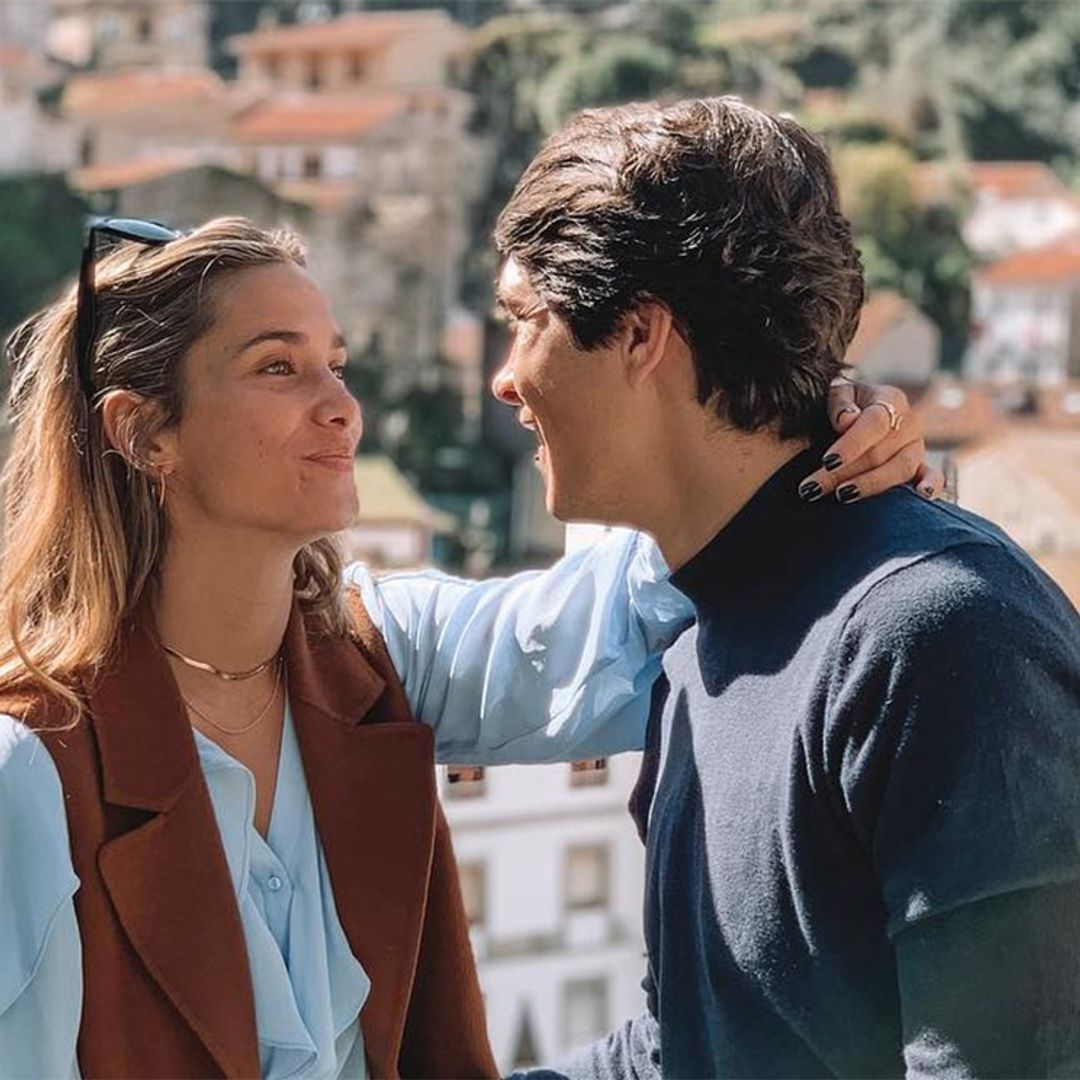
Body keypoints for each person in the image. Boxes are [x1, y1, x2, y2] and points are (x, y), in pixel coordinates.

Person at [0, 216, 926, 1079]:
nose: (343, 409)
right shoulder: (29, 769)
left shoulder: (378, 654)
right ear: (142, 431)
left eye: (337, 364)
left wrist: (814, 439)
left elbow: (642, 617)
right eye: (279, 368)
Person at [491, 96, 1080, 1078]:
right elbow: (691, 1048)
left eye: (526, 323)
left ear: (640, 335)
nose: (507, 380)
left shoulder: (940, 633)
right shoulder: (700, 648)